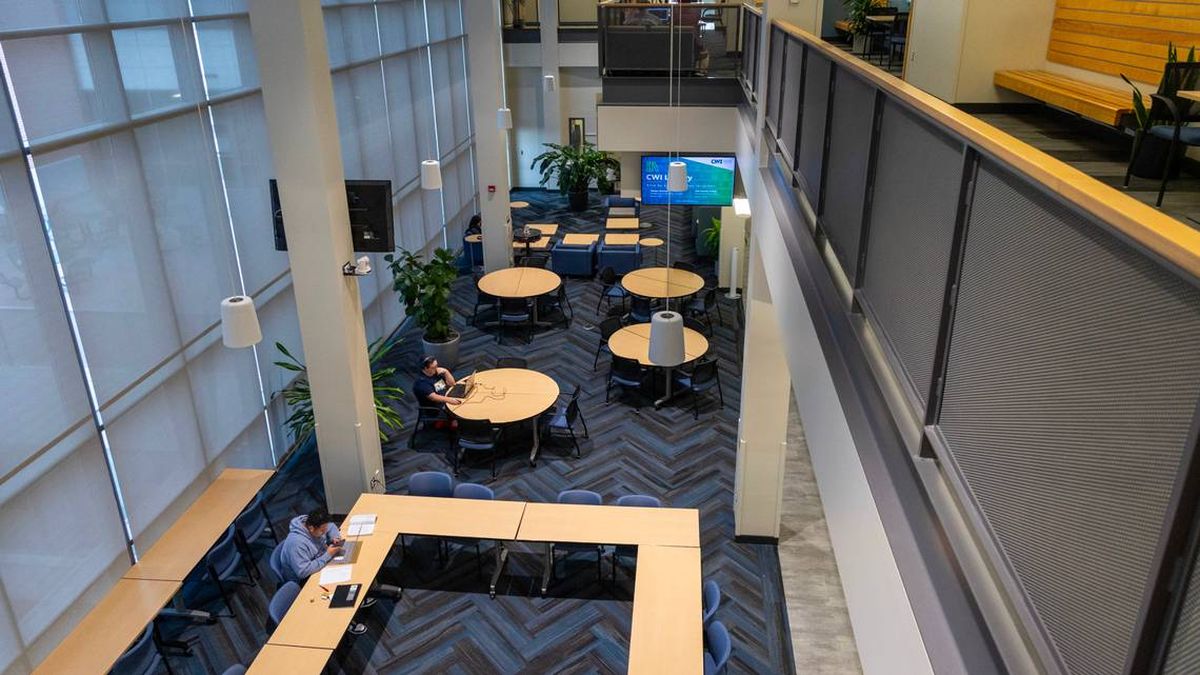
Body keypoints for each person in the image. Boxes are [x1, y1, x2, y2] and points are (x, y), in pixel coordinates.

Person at [279, 507, 344, 584]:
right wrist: (328, 555)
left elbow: (330, 526)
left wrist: (334, 537)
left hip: (319, 562)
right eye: (322, 531)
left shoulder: (314, 522)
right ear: (311, 528)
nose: (325, 532)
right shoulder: (296, 544)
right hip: (304, 580)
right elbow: (303, 572)